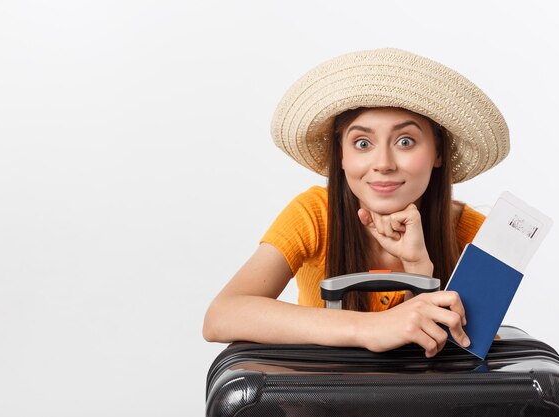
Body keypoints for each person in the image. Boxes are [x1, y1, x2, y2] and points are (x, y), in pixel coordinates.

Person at [203, 48, 510, 358]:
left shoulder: (479, 235)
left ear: (438, 153)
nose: (383, 163)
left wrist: (419, 269)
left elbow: (469, 365)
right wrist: (370, 328)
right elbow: (221, 316)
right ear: (341, 155)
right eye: (362, 143)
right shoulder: (314, 214)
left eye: (405, 141)